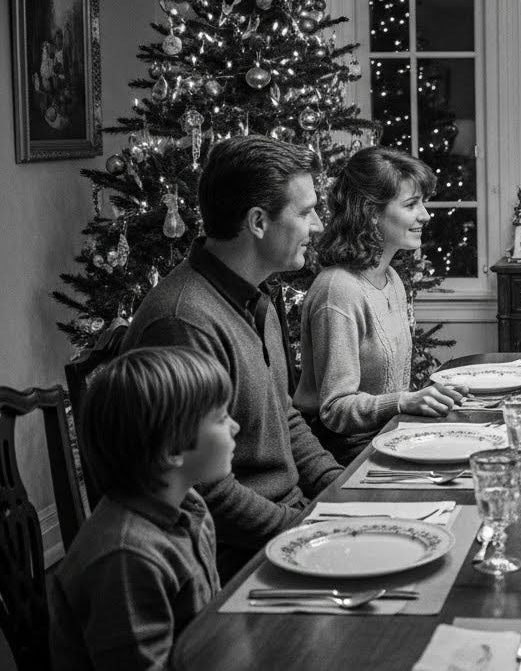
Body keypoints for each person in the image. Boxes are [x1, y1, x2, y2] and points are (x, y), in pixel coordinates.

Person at [123, 135, 342, 577]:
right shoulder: (183, 323)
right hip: (235, 559)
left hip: (288, 526)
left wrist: (344, 488)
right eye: (304, 212)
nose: (318, 224)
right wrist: (305, 530)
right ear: (258, 221)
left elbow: (284, 417)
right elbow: (202, 489)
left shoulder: (255, 299)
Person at [49, 347, 236, 670]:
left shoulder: (191, 507)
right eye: (221, 418)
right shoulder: (126, 557)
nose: (234, 427)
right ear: (172, 449)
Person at [294, 147, 467, 463]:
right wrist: (403, 402)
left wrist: (428, 399)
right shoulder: (339, 289)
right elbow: (334, 410)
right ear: (371, 213)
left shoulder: (391, 279)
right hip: (349, 457)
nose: (425, 215)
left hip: (392, 438)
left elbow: (393, 391)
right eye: (411, 204)